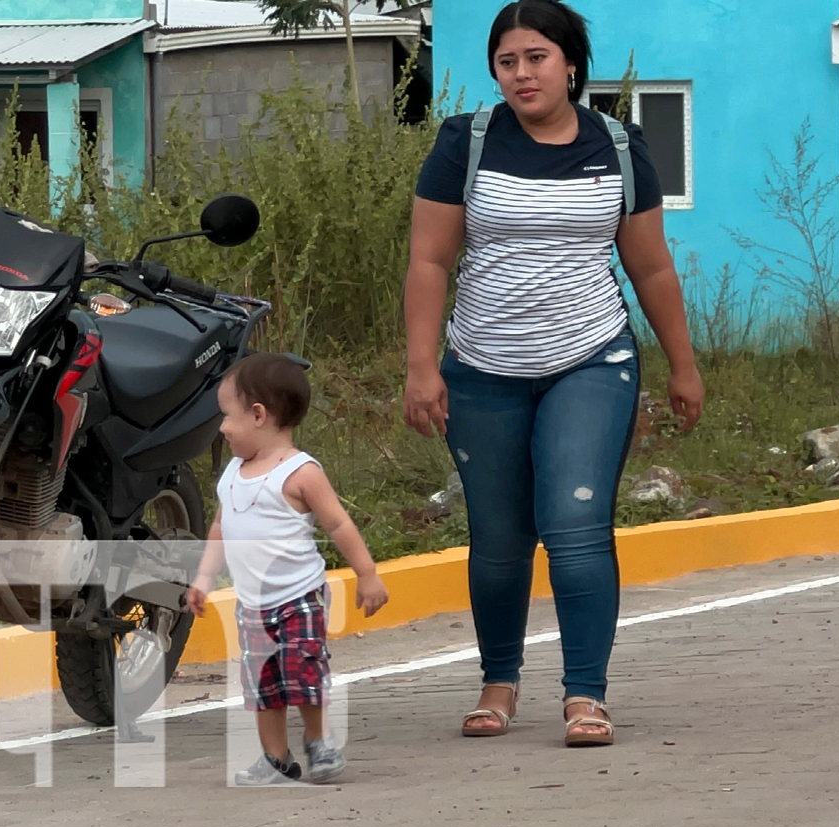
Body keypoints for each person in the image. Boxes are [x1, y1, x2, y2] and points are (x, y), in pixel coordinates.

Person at [400, 0, 704, 747]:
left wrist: (683, 366)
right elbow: (430, 260)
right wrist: (419, 367)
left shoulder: (620, 147)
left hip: (591, 358)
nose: (522, 74)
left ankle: (585, 694)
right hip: (481, 365)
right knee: (500, 539)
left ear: (570, 64)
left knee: (574, 526)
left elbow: (652, 266)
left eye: (537, 58)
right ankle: (498, 680)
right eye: (507, 61)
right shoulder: (464, 143)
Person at [188, 352, 390, 785]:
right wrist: (204, 577)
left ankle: (318, 740)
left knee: (302, 671)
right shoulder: (232, 473)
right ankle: (276, 760)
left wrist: (367, 573)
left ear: (258, 415)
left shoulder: (301, 472)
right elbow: (220, 526)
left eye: (227, 416)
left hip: (299, 596)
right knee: (262, 686)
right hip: (252, 606)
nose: (221, 427)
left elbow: (339, 523)